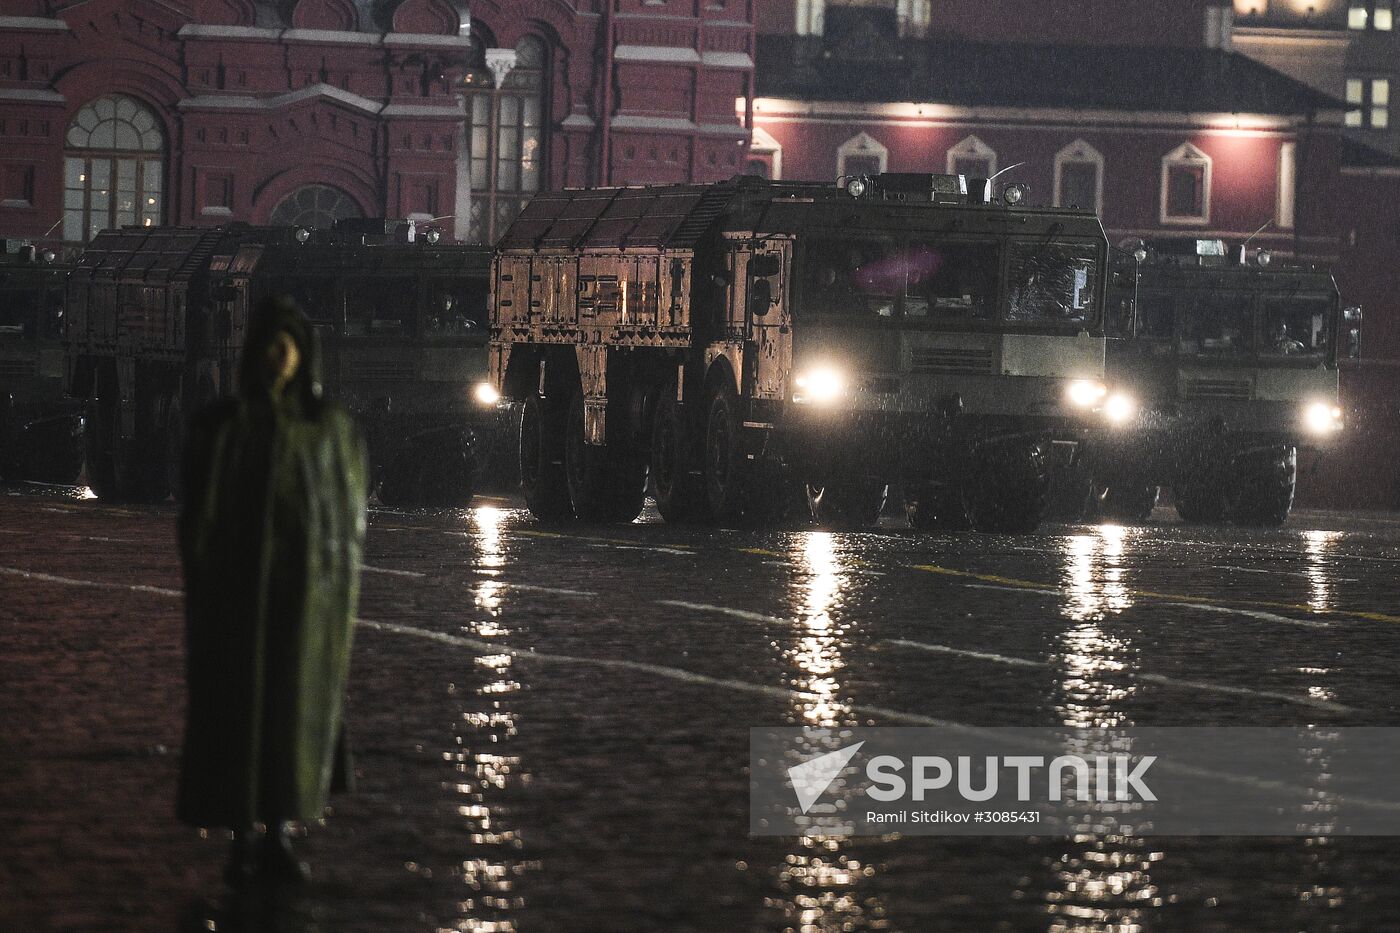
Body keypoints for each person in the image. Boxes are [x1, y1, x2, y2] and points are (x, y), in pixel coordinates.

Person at [176, 295, 367, 885]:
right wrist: (207, 586)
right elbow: (200, 520)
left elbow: (348, 516)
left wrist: (335, 596)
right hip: (237, 601)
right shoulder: (226, 427)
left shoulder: (328, 429)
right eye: (268, 347)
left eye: (285, 347)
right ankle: (241, 834)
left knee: (292, 716)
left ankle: (281, 831)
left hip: (304, 603)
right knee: (240, 714)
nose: (276, 359)